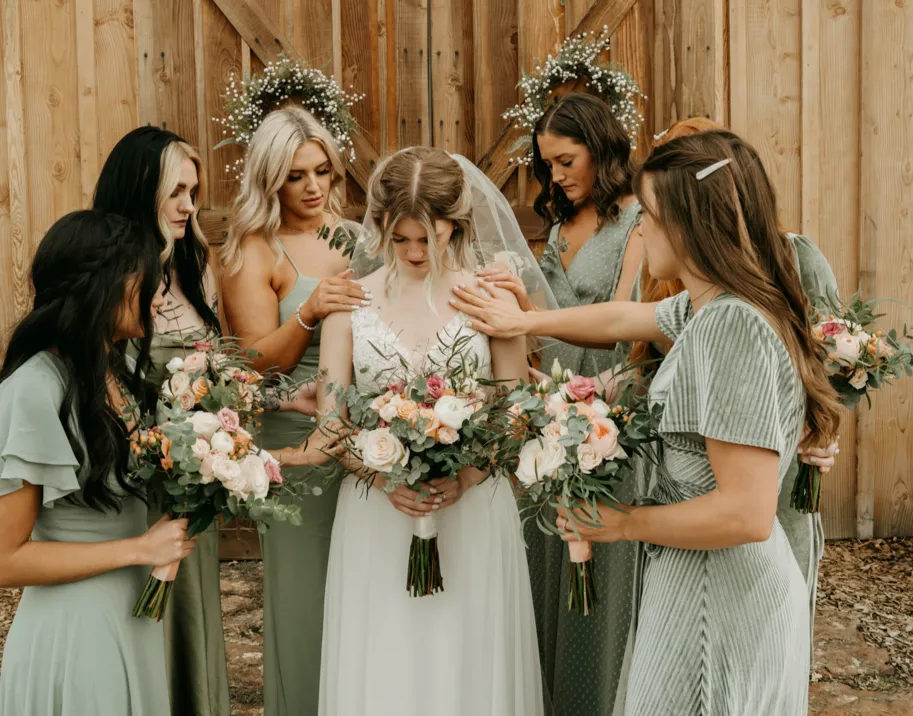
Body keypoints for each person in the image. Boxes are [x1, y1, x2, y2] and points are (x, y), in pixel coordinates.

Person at [451, 130, 842, 714]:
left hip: (720, 601)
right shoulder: (710, 306)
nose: (640, 230)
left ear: (690, 224)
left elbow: (747, 512)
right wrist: (525, 322)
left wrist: (622, 522)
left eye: (650, 217)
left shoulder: (731, 327)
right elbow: (621, 319)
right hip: (695, 579)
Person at [275, 147, 545, 716]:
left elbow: (515, 412)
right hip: (378, 513)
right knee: (387, 665)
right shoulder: (350, 302)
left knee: (468, 659)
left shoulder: (491, 297)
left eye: (430, 237)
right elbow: (332, 423)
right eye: (401, 239)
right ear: (380, 226)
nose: (416, 252)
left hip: (472, 509)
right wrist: (381, 474)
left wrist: (467, 475)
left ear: (457, 224)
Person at [482, 92, 645, 716]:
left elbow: (626, 325)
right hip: (549, 415)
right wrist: (516, 311)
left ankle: (594, 699)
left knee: (597, 565)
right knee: (545, 554)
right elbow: (545, 328)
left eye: (566, 161)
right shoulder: (558, 227)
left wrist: (534, 319)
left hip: (608, 417)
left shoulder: (638, 221)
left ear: (601, 149)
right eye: (548, 164)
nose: (555, 176)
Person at [0, 210, 195, 715]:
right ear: (104, 286)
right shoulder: (34, 389)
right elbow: (5, 559)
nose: (158, 295)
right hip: (76, 633)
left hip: (131, 615)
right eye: (146, 280)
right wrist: (139, 548)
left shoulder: (118, 367)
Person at [219, 105, 369, 716]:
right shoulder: (253, 252)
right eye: (295, 176)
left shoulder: (358, 237)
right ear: (269, 179)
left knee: (363, 593)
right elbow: (253, 363)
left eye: (322, 172)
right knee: (306, 596)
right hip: (293, 435)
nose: (313, 187)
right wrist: (309, 312)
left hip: (366, 436)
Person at [92, 126, 230, 716]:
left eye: (193, 192)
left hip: (195, 475)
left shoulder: (196, 266)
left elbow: (219, 369)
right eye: (175, 192)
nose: (189, 206)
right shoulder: (108, 272)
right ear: (140, 189)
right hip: (137, 478)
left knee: (193, 610)